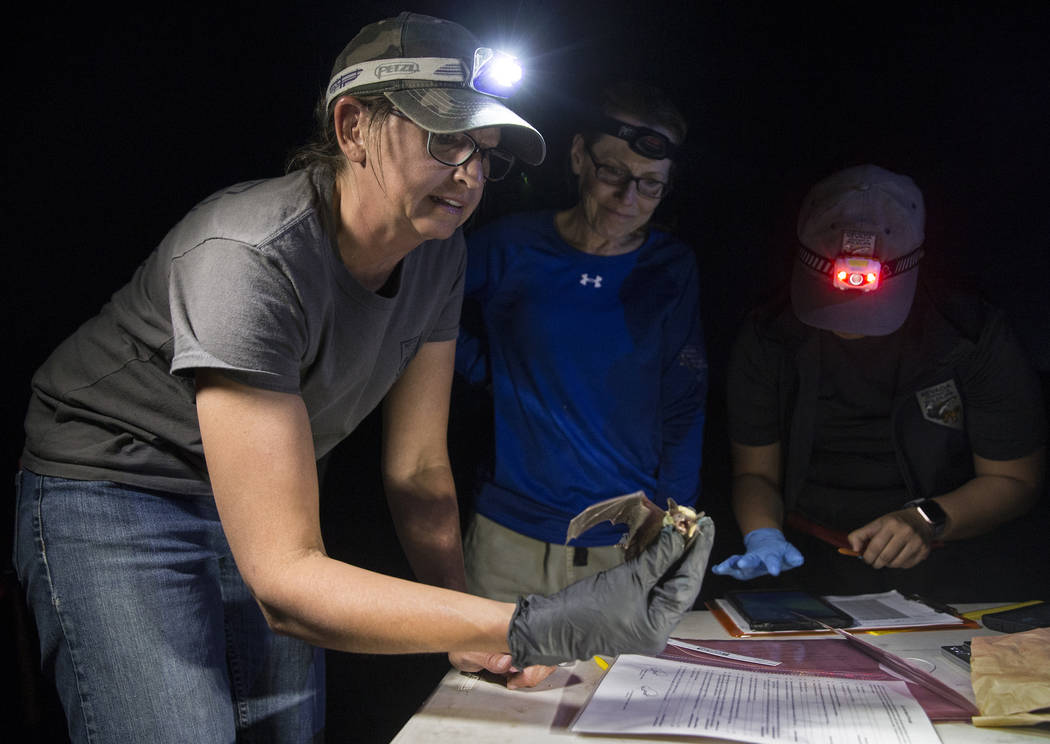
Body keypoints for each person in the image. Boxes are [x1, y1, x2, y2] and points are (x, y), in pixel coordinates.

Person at [13, 14, 711, 743]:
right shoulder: (247, 256)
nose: (470, 174)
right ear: (353, 128)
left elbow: (416, 469)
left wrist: (462, 621)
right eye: (447, 140)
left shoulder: (439, 252)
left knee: (288, 730)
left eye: (485, 152)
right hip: (115, 486)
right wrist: (528, 622)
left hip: (257, 483)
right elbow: (286, 584)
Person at [712, 164, 1046, 601]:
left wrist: (926, 520)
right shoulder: (770, 334)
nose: (849, 322)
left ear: (915, 265)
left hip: (943, 562)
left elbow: (1015, 480)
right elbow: (755, 471)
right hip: (805, 556)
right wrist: (762, 535)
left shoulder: (970, 336)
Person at [454, 81, 707, 601]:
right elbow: (423, 306)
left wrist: (677, 520)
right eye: (612, 172)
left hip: (625, 544)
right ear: (577, 156)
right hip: (509, 536)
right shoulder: (511, 245)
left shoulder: (672, 267)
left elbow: (684, 401)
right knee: (481, 682)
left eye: (650, 184)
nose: (628, 198)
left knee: (623, 684)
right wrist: (488, 369)